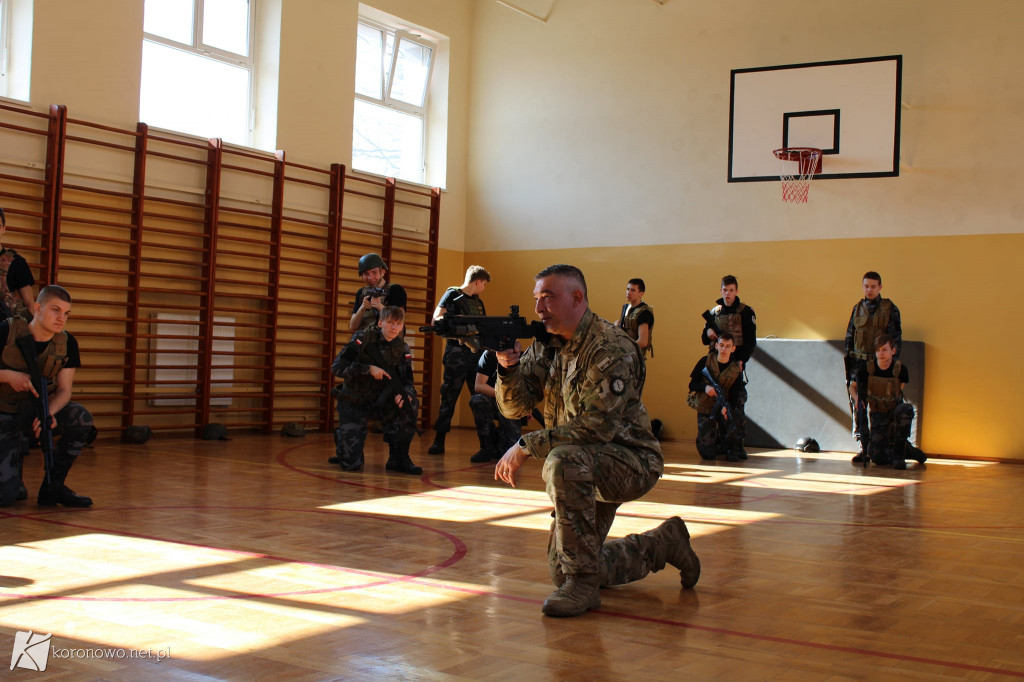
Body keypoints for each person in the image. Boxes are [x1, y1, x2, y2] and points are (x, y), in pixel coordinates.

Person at [493, 264, 700, 618]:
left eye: (548, 298)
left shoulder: (610, 347)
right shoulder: (548, 345)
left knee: (562, 462)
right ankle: (663, 544)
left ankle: (585, 588)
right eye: (536, 299)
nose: (539, 308)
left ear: (577, 298)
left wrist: (527, 446)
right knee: (563, 571)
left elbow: (596, 428)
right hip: (583, 463)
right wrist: (506, 369)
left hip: (628, 460)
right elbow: (515, 408)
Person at [0, 285, 93, 507]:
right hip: (3, 413)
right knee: (6, 497)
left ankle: (54, 486)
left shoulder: (67, 343)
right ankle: (14, 478)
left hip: (34, 412)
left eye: (66, 313)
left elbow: (64, 390)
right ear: (38, 308)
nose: (61, 318)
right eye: (55, 310)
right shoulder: (6, 331)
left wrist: (48, 413)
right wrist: (6, 375)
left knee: (80, 416)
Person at [330, 306, 422, 475]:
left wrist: (406, 394)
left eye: (398, 323)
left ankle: (399, 458)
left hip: (382, 401)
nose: (393, 327)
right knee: (351, 465)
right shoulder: (361, 339)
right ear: (380, 323)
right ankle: (343, 438)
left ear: (402, 326)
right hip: (355, 402)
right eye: (389, 322)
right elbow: (337, 367)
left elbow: (408, 381)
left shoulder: (402, 348)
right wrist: (367, 369)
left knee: (411, 404)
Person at [426, 265, 491, 455]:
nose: (484, 288)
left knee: (480, 399)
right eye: (484, 284)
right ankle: (439, 441)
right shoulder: (452, 295)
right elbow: (435, 320)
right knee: (448, 399)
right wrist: (456, 320)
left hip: (476, 355)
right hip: (456, 355)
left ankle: (486, 445)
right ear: (478, 281)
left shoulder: (478, 302)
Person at [844, 271, 902, 457]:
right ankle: (864, 447)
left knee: (881, 407)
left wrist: (888, 366)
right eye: (866, 286)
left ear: (880, 287)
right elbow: (849, 338)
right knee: (859, 407)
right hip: (859, 366)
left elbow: (895, 341)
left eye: (873, 286)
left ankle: (883, 448)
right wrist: (850, 368)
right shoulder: (857, 308)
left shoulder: (890, 309)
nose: (869, 290)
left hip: (879, 367)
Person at [849, 334, 926, 469]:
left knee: (906, 409)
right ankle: (907, 450)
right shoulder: (867, 368)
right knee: (878, 458)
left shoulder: (900, 369)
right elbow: (852, 387)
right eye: (878, 350)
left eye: (884, 349)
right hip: (877, 413)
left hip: (894, 410)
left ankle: (899, 453)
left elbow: (897, 393)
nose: (881, 353)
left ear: (893, 351)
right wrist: (857, 400)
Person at [687, 331, 748, 462]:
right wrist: (705, 388)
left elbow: (735, 393)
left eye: (727, 346)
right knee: (707, 454)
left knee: (734, 417)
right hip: (706, 406)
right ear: (716, 346)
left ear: (733, 348)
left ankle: (728, 444)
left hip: (722, 406)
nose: (724, 349)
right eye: (721, 345)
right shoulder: (705, 361)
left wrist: (728, 408)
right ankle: (711, 441)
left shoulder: (736, 370)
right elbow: (692, 384)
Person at [467, 350, 521, 464]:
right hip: (496, 399)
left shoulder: (522, 356)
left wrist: (527, 408)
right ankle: (487, 447)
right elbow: (479, 385)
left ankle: (503, 445)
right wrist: (503, 395)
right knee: (477, 400)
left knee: (509, 451)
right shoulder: (489, 355)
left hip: (513, 403)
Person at [701, 274, 756, 370]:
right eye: (725, 290)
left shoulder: (746, 312)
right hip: (714, 362)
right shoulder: (715, 312)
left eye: (731, 290)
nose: (727, 293)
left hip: (735, 361)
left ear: (736, 291)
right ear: (721, 291)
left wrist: (741, 360)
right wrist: (708, 331)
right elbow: (705, 340)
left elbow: (750, 341)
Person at [349, 253, 407, 332]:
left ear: (382, 272)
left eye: (374, 272)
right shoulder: (361, 293)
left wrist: (380, 307)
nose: (370, 277)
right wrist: (362, 308)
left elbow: (398, 321)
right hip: (366, 341)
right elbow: (353, 327)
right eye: (366, 274)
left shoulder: (395, 290)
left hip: (387, 342)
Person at [0, 207, 37, 321]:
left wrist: (29, 337)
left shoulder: (17, 262)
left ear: (4, 228)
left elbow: (30, 304)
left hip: (6, 333)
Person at [615, 278, 654, 360]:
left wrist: (624, 348)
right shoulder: (626, 308)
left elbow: (643, 342)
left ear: (641, 293)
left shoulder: (644, 313)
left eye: (633, 290)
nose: (629, 292)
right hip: (624, 356)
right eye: (628, 289)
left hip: (634, 358)